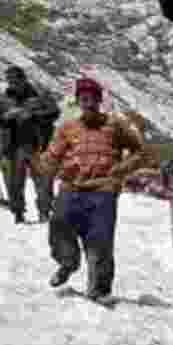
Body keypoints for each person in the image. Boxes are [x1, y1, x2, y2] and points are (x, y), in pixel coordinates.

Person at [36, 77, 147, 304]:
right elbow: (52, 158)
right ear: (78, 101)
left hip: (103, 189)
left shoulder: (115, 126)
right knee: (59, 223)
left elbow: (139, 151)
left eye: (92, 98)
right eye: (83, 98)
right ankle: (68, 262)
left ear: (99, 100)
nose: (87, 102)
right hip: (71, 187)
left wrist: (120, 170)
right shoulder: (67, 128)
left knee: (100, 238)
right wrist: (44, 180)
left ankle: (99, 287)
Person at [0, 65, 61, 224]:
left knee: (43, 181)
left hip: (38, 146)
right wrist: (6, 117)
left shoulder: (39, 96)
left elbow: (54, 112)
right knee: (13, 182)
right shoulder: (1, 100)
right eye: (10, 81)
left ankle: (44, 212)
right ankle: (18, 213)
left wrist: (32, 115)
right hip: (12, 147)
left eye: (16, 80)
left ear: (23, 79)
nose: (14, 84)